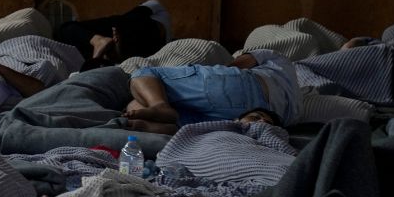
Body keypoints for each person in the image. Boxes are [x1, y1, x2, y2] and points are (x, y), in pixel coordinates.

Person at [125, 50, 298, 134]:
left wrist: (222, 71)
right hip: (255, 119)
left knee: (144, 74)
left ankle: (159, 105)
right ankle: (149, 125)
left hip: (246, 86)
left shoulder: (280, 58)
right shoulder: (297, 109)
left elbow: (238, 64)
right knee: (136, 106)